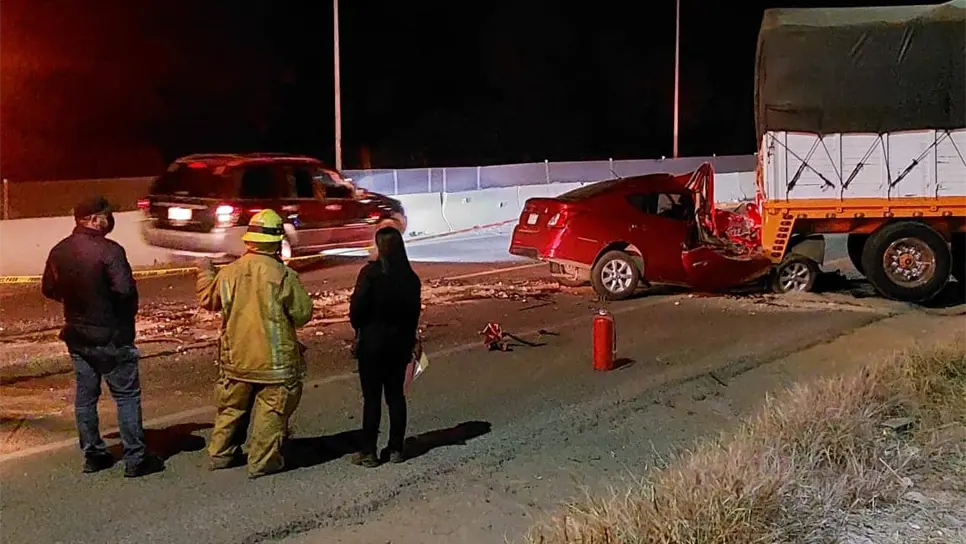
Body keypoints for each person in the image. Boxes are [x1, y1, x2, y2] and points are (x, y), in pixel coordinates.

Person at [41, 195, 165, 478]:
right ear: (93, 219)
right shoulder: (110, 251)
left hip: (77, 336)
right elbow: (123, 291)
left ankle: (94, 455)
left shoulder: (59, 250)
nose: (110, 221)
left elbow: (48, 288)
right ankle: (136, 458)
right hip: (112, 337)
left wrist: (76, 302)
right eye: (106, 215)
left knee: (85, 398)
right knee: (126, 396)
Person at [197, 209, 314, 479]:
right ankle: (262, 461)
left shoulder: (229, 273)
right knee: (272, 410)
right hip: (275, 364)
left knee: (232, 407)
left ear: (250, 239)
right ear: (276, 242)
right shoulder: (283, 276)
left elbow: (208, 300)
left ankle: (220, 454)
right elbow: (302, 314)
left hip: (236, 359)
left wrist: (205, 272)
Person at [349, 226, 422, 467]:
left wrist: (359, 328)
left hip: (372, 343)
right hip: (399, 344)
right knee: (395, 396)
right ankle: (396, 448)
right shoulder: (411, 278)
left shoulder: (370, 274)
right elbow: (413, 315)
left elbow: (357, 309)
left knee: (372, 399)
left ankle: (368, 451)